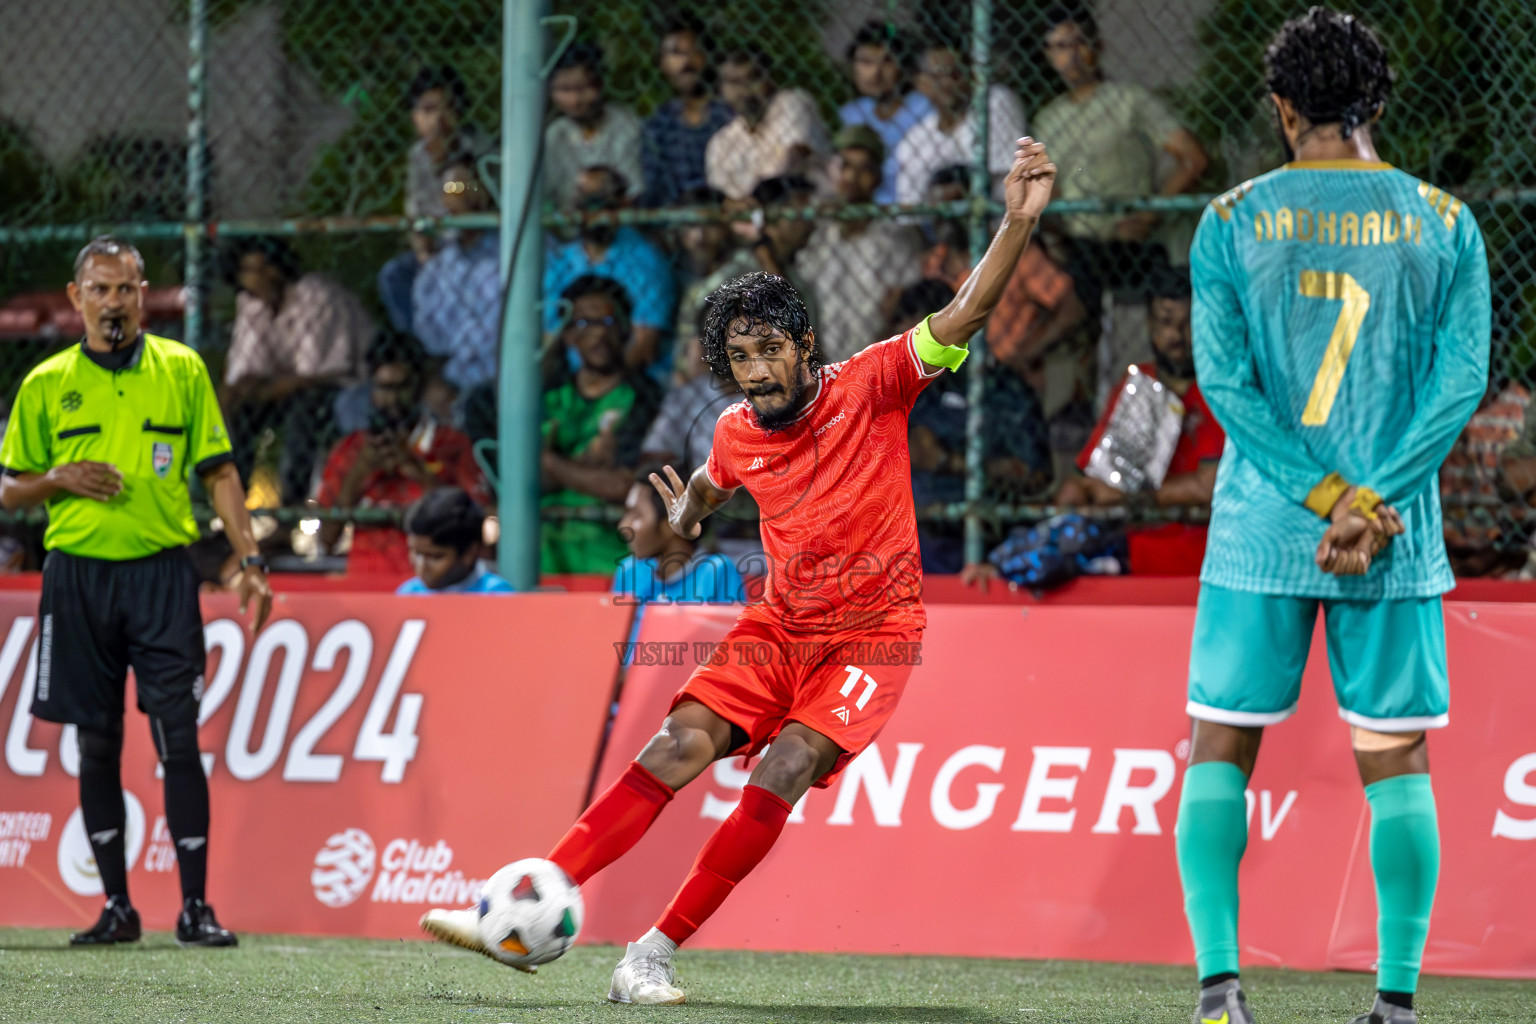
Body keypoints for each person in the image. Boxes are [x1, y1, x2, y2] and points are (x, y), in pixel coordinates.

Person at [421, 137, 1059, 1003]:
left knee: (785, 766)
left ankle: (652, 952)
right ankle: (525, 898)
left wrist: (1016, 224)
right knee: (674, 745)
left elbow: (967, 313)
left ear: (803, 346)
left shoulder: (872, 385)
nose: (755, 373)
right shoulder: (734, 430)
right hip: (780, 626)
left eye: (768, 352)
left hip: (875, 636)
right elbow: (708, 494)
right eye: (739, 358)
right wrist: (678, 523)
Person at [1174, 11, 1489, 1024]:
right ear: (1377, 106)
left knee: (1219, 744)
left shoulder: (1229, 218)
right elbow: (1462, 380)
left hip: (1266, 528)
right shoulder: (1444, 221)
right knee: (1396, 756)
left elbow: (1225, 386)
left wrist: (1321, 497)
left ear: (1279, 108)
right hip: (1391, 540)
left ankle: (1221, 994)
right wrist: (1376, 498)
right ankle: (1395, 1006)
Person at [0, 236, 273, 948]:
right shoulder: (45, 383)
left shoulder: (181, 370)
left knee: (178, 737)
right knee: (96, 743)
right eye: (101, 289)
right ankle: (117, 906)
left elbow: (218, 470)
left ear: (144, 293)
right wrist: (57, 479)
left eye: (127, 289)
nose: (115, 303)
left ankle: (194, 909)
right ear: (75, 296)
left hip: (161, 572)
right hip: (78, 576)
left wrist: (251, 558)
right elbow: (8, 487)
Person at [1032, 4, 1210, 406]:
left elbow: (1193, 158)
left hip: (1133, 241)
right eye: (1058, 47)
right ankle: (1071, 408)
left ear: (1097, 45)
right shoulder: (1048, 120)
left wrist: (1149, 213)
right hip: (1080, 245)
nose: (1070, 55)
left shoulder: (1129, 100)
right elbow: (1051, 193)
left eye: (1078, 43)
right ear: (1047, 56)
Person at [923, 163, 1090, 478]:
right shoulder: (934, 263)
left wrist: (1027, 351)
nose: (944, 216)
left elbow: (1071, 307)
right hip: (957, 381)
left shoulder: (1013, 253)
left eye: (954, 204)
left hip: (1017, 377)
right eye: (938, 207)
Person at [896, 281, 1053, 573]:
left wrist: (948, 461)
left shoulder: (1001, 391)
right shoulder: (901, 392)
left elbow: (1035, 476)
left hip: (984, 529)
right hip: (912, 536)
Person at [315, 330, 490, 578]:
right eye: (383, 388)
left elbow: (478, 530)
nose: (392, 399)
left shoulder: (454, 445)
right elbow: (326, 540)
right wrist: (357, 476)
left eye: (402, 387)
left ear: (419, 386)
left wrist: (417, 471)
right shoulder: (350, 450)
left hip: (433, 586)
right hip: (366, 586)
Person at [221, 235, 374, 503]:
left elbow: (313, 374)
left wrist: (259, 389)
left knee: (303, 410)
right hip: (284, 388)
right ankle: (228, 506)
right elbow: (246, 369)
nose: (260, 277)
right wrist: (232, 396)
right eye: (249, 271)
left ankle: (289, 509)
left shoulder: (315, 295)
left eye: (265, 268)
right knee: (237, 411)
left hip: (345, 386)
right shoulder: (252, 303)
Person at [540, 275, 663, 575]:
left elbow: (624, 485)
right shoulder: (549, 395)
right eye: (584, 324)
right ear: (567, 335)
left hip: (612, 554)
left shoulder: (644, 397)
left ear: (626, 330)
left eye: (608, 322)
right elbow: (525, 480)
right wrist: (587, 467)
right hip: (545, 551)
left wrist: (552, 462)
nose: (598, 335)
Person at [795, 125, 923, 363]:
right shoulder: (821, 234)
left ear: (877, 178)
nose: (852, 177)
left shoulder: (893, 239)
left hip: (872, 364)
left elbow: (897, 313)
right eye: (846, 166)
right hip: (819, 360)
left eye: (863, 169)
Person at [378, 65, 489, 333]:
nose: (438, 119)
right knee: (394, 274)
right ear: (414, 116)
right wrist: (424, 251)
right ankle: (418, 348)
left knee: (453, 183)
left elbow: (462, 196)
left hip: (472, 245)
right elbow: (415, 211)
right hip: (435, 244)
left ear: (460, 111)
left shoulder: (477, 146)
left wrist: (452, 166)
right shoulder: (418, 156)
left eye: (447, 108)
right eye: (427, 110)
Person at [543, 166, 676, 381]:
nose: (595, 215)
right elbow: (549, 337)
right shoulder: (561, 261)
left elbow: (644, 345)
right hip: (572, 381)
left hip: (631, 380)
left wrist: (600, 388)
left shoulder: (646, 260)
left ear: (623, 205)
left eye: (605, 206)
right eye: (586, 206)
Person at [613, 462, 745, 648]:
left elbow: (732, 650)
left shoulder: (716, 571)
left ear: (673, 521)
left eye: (636, 515)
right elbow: (612, 651)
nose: (623, 526)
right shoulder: (629, 572)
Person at [892, 45, 1026, 206]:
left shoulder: (994, 102)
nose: (947, 82)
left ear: (972, 76)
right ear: (920, 83)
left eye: (955, 74)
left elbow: (1002, 177)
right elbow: (910, 210)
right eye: (937, 76)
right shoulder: (914, 140)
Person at [412, 158, 501, 396]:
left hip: (507, 370)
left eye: (467, 189)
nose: (460, 198)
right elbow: (428, 336)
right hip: (455, 378)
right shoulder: (438, 268)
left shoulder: (516, 248)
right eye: (450, 191)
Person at [705, 48, 830, 201]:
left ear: (769, 80)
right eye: (734, 82)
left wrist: (752, 197)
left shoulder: (791, 103)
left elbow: (791, 163)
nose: (745, 90)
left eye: (752, 79)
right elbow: (724, 199)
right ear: (721, 89)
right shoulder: (721, 143)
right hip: (752, 219)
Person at [640, 15, 735, 208]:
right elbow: (654, 183)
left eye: (693, 51)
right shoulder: (660, 122)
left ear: (707, 56)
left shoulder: (728, 114)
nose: (686, 61)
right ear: (663, 63)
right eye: (675, 53)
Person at [837, 21, 932, 205]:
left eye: (887, 61)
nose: (875, 73)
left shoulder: (922, 107)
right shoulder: (853, 112)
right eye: (865, 62)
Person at [543, 42, 644, 208]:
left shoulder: (625, 124)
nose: (575, 100)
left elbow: (635, 188)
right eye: (564, 90)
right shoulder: (555, 135)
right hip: (568, 225)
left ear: (599, 84)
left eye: (583, 88)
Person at [396, 486, 514, 594]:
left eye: (435, 557)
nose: (421, 566)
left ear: (469, 553)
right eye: (416, 553)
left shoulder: (496, 596)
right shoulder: (409, 593)